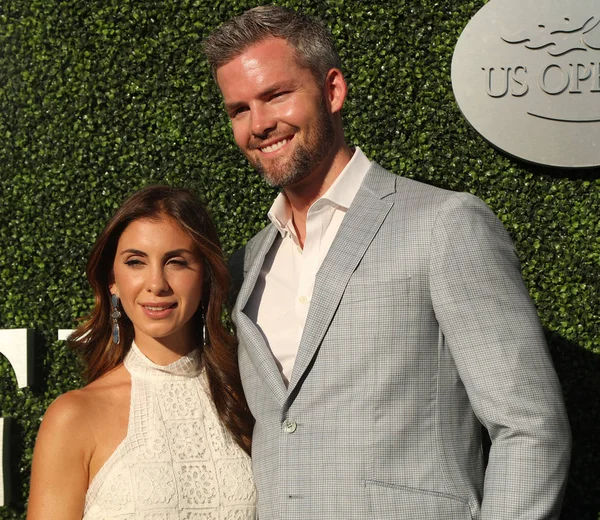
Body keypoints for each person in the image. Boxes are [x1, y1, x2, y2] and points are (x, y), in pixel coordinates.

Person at [203, 5, 571, 520]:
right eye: (238, 109)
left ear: (332, 91)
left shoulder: (444, 224)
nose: (259, 124)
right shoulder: (248, 263)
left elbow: (529, 427)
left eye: (275, 95)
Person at [27, 186, 256, 519]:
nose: (156, 283)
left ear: (205, 277)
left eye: (177, 262)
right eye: (136, 262)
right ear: (112, 281)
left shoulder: (249, 395)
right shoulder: (73, 417)